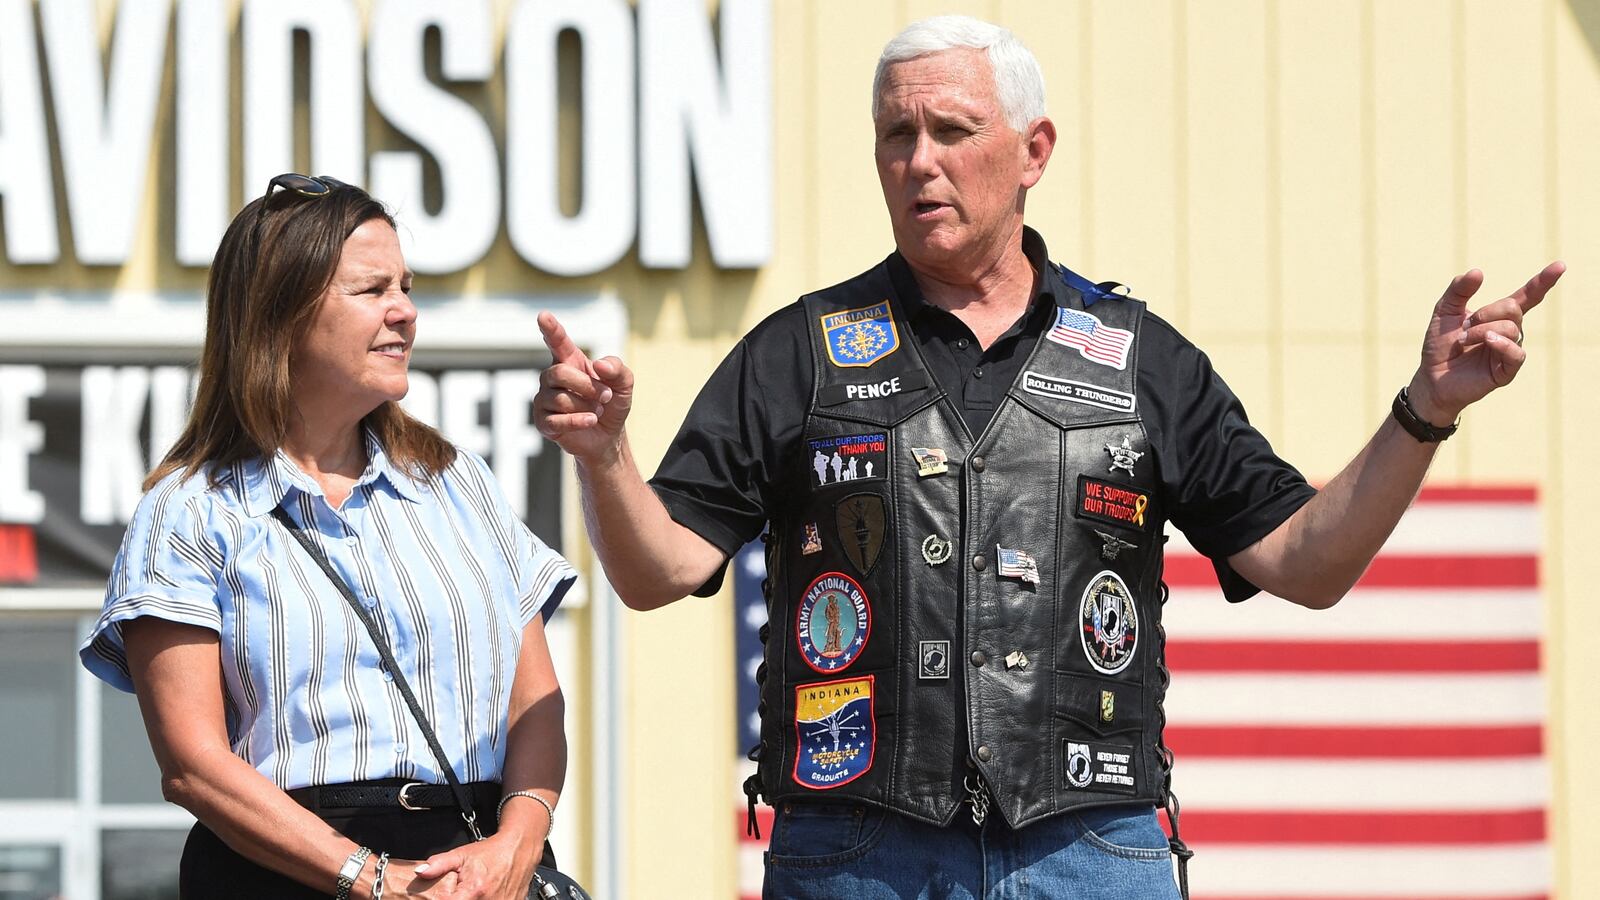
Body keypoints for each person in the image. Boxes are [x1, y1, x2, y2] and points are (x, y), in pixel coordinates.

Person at [535, 15, 1563, 900]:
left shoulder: (1138, 360)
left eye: (951, 130)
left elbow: (1306, 561)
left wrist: (1422, 412)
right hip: (855, 848)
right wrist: (603, 455)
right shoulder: (798, 352)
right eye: (896, 135)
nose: (919, 161)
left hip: (1092, 845)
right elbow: (656, 569)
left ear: (1032, 150)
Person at [79, 175, 575, 899]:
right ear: (279, 314)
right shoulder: (190, 512)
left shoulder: (458, 483)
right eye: (372, 290)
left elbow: (538, 699)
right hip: (282, 870)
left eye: (406, 287)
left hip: (478, 868)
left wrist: (517, 845)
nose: (405, 312)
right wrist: (374, 878)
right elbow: (192, 764)